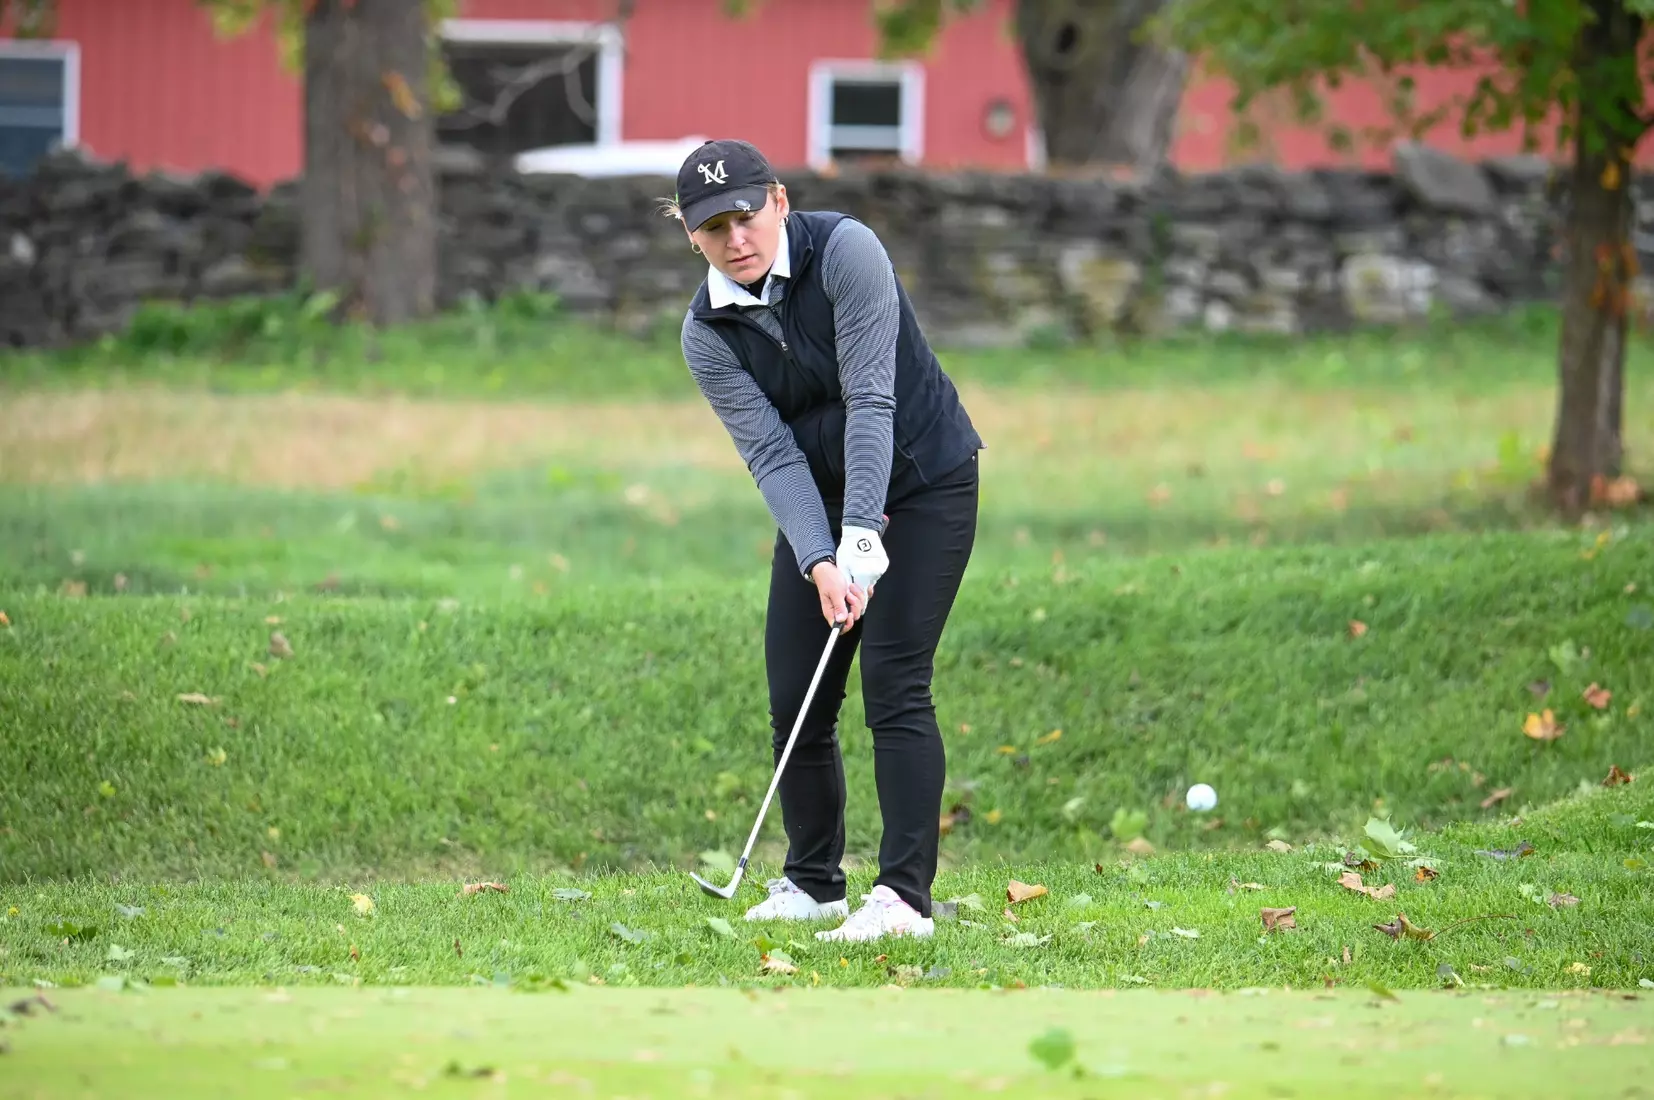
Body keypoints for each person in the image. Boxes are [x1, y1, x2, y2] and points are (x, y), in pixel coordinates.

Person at [661, 138, 984, 943]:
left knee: (893, 679)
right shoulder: (706, 333)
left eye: (745, 215)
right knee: (794, 696)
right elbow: (770, 453)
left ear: (777, 200)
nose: (735, 239)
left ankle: (904, 900)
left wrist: (863, 541)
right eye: (712, 227)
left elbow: (872, 399)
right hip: (818, 501)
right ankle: (814, 883)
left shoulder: (846, 252)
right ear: (689, 235)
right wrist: (818, 556)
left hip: (921, 484)